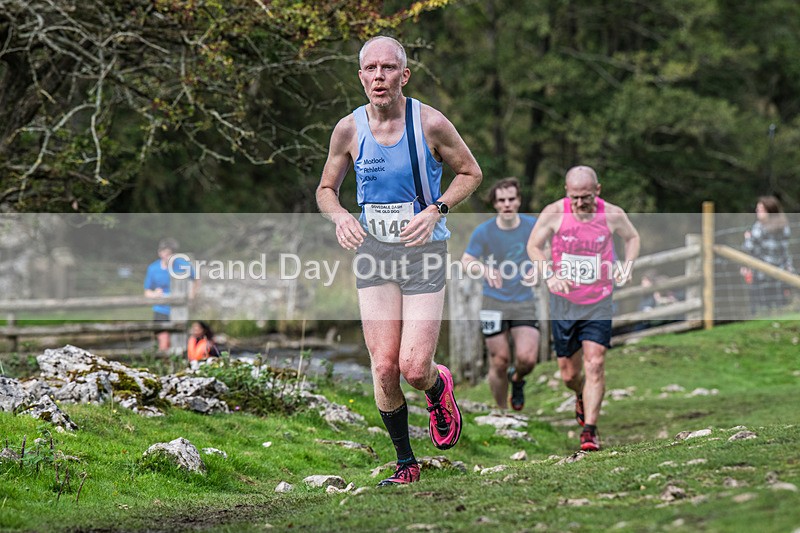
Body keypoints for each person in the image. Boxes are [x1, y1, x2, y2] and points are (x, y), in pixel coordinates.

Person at [315, 36, 482, 486]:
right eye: (370, 69)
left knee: (412, 368)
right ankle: (406, 464)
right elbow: (325, 189)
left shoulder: (429, 122)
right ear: (360, 77)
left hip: (423, 252)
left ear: (403, 75)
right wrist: (339, 217)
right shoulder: (348, 129)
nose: (378, 77)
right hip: (374, 253)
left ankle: (436, 383)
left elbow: (471, 172)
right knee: (384, 366)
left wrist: (437, 209)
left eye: (388, 68)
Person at [526, 166, 640, 452]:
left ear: (597, 191)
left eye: (586, 197)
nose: (579, 203)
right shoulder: (554, 212)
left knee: (596, 362)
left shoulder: (612, 214)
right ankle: (580, 394)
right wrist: (550, 274)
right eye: (574, 197)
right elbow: (533, 247)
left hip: (598, 299)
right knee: (568, 374)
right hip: (564, 301)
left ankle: (589, 431)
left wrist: (627, 264)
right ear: (567, 192)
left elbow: (632, 238)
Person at [461, 178, 539, 411]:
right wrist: (485, 269)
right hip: (493, 302)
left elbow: (549, 252)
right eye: (501, 200)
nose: (507, 204)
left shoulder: (532, 226)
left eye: (511, 199)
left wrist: (539, 267)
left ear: (519, 201)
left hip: (524, 300)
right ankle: (501, 412)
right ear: (495, 204)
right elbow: (467, 261)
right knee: (500, 360)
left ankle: (517, 379)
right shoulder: (484, 232)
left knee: (527, 359)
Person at [741, 196, 794, 314]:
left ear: (770, 211)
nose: (757, 211)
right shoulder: (784, 227)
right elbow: (785, 252)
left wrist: (747, 238)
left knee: (762, 308)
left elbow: (748, 247)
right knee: (780, 307)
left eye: (761, 209)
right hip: (780, 273)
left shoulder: (759, 228)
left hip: (761, 274)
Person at [144, 238, 197, 351]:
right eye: (165, 253)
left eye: (170, 254)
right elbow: (147, 291)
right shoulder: (153, 269)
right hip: (161, 309)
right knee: (164, 341)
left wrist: (192, 294)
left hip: (179, 310)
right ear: (159, 253)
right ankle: (163, 364)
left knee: (178, 340)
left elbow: (196, 279)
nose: (167, 256)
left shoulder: (183, 265)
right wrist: (154, 294)